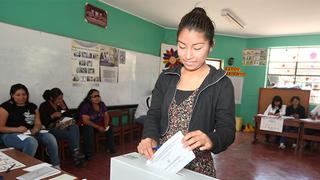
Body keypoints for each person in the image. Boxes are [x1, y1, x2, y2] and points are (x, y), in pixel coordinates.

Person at [137, 7, 235, 178]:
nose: (188, 55)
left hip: (198, 169)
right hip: (163, 163)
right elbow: (154, 114)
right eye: (182, 47)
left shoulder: (221, 83)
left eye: (197, 48)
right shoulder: (167, 77)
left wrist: (211, 139)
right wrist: (149, 137)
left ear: (211, 45)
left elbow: (227, 130)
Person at [0, 84, 60, 168]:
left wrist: (36, 128)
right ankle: (23, 169)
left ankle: (56, 165)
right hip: (9, 134)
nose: (21, 97)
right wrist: (17, 129)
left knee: (50, 137)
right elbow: (1, 128)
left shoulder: (32, 106)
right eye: (18, 95)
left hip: (29, 133)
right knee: (31, 142)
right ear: (12, 95)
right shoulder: (5, 107)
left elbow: (38, 123)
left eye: (24, 94)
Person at [39, 88, 85, 166]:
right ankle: (76, 154)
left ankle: (76, 153)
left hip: (63, 126)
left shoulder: (61, 103)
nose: (60, 101)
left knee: (74, 127)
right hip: (51, 129)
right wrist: (52, 116)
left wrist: (64, 109)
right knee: (71, 134)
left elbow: (70, 116)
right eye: (58, 99)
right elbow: (44, 122)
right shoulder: (44, 105)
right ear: (51, 98)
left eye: (62, 98)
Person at [78, 89, 116, 159]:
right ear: (90, 98)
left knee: (110, 127)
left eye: (98, 95)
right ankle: (88, 153)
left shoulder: (101, 104)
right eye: (95, 96)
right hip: (87, 125)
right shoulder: (86, 106)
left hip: (99, 125)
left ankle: (110, 148)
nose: (97, 98)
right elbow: (85, 121)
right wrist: (98, 127)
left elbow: (106, 115)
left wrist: (106, 125)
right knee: (89, 129)